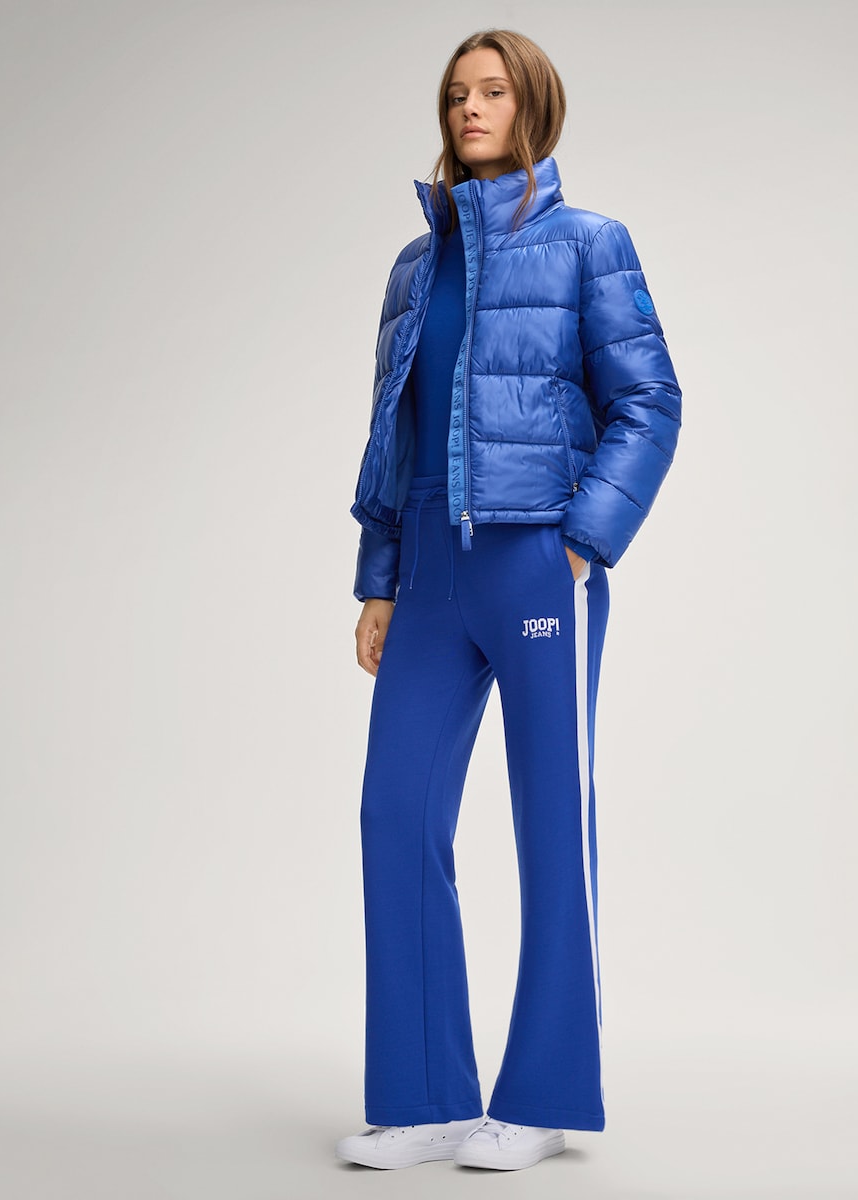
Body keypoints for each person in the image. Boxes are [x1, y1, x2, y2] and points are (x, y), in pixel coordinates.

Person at [336, 28, 682, 1172]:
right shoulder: (414, 265)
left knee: (550, 824)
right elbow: (394, 438)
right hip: (431, 573)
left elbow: (651, 401)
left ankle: (542, 1099)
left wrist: (581, 545)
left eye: (491, 91)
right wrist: (380, 578)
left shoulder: (590, 242)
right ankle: (425, 1096)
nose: (470, 109)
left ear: (534, 104)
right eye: (456, 93)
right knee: (395, 815)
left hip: (538, 564)